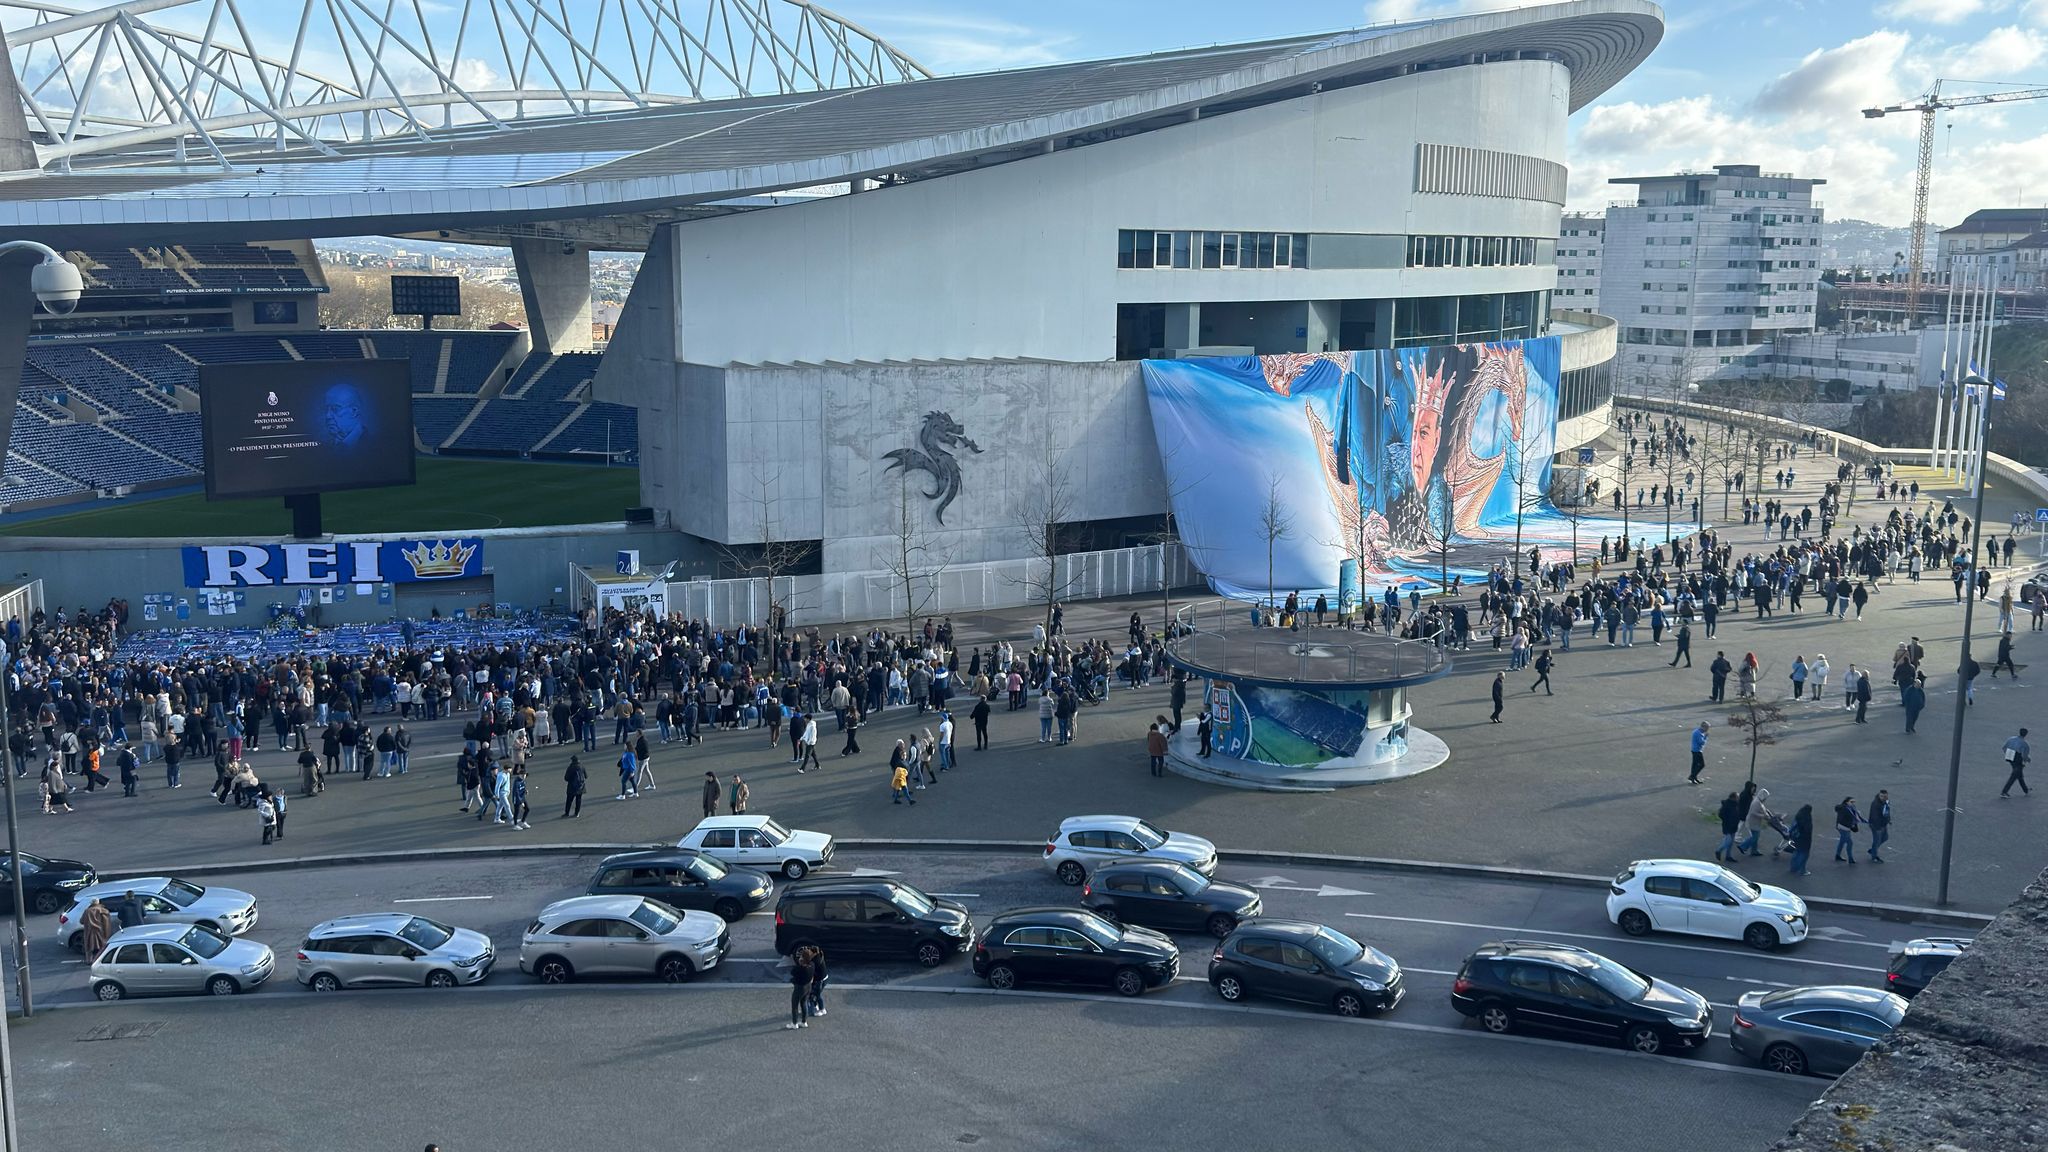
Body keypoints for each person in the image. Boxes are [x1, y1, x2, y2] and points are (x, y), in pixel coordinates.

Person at [786, 943, 820, 1030]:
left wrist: (799, 963)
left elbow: (793, 972)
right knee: (804, 1003)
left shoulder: (800, 968)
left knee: (795, 1005)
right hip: (808, 986)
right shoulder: (812, 965)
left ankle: (794, 1023)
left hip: (799, 988)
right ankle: (804, 1021)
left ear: (803, 958)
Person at [2001, 727, 2031, 797]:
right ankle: (2004, 792)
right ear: (2026, 734)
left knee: (2019, 774)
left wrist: (2008, 754)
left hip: (2010, 756)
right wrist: (2028, 759)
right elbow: (2024, 756)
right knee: (2014, 776)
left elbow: (2004, 748)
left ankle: (2026, 790)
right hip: (2017, 759)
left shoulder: (2011, 739)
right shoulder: (2025, 744)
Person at [1787, 804, 1814, 876]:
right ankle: (1802, 870)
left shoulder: (1798, 816)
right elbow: (1808, 829)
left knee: (1796, 852)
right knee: (1804, 854)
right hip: (1805, 839)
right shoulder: (1807, 818)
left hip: (1797, 837)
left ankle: (1793, 868)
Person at [1832, 796, 1860, 863]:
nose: (1853, 803)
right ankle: (1850, 859)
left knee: (1842, 841)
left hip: (1843, 827)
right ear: (1847, 802)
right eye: (1851, 802)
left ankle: (1838, 855)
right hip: (1844, 828)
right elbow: (1846, 819)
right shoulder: (1844, 809)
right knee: (1850, 843)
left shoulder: (1849, 808)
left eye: (1854, 802)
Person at [805, 944, 830, 1018]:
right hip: (824, 978)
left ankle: (821, 1009)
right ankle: (817, 1007)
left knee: (817, 995)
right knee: (816, 994)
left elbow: (812, 972)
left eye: (810, 952)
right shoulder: (819, 956)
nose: (809, 953)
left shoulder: (815, 961)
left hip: (820, 980)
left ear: (814, 953)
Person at [1715, 792, 1741, 862]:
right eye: (1737, 797)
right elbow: (1721, 814)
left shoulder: (1735, 804)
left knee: (1731, 842)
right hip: (1728, 826)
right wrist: (1727, 820)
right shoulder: (1727, 805)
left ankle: (1728, 856)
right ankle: (1718, 851)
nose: (1738, 798)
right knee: (1728, 841)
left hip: (1733, 825)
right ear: (1733, 798)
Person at [1866, 790, 1891, 862]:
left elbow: (1887, 811)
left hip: (1883, 823)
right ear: (1879, 795)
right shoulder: (1875, 804)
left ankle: (1873, 850)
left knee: (1885, 838)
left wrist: (1888, 820)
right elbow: (1874, 817)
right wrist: (1878, 827)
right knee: (1877, 840)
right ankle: (1874, 856)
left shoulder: (1886, 801)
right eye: (1882, 796)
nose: (1883, 798)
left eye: (1885, 796)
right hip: (1876, 825)